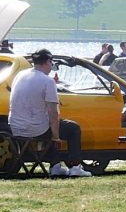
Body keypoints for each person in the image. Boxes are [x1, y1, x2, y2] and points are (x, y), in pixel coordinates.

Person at [8, 49, 90, 178]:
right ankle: (75, 166)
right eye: (51, 63)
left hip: (16, 128)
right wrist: (56, 137)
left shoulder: (20, 75)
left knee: (47, 122)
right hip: (35, 129)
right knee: (72, 128)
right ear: (48, 62)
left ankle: (55, 165)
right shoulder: (47, 81)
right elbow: (53, 114)